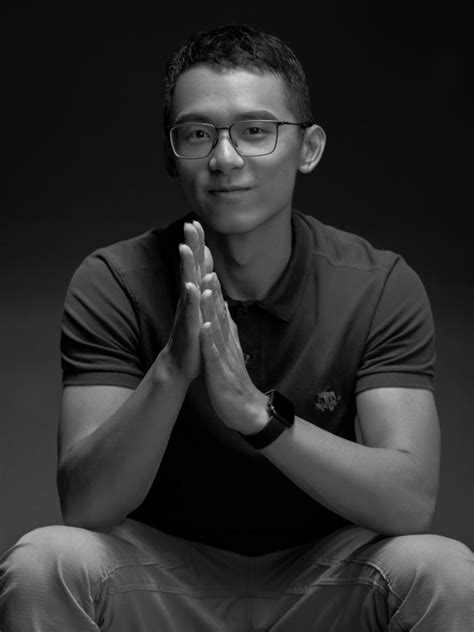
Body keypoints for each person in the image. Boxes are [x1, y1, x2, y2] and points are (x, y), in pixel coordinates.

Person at [0, 23, 472, 632]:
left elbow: (409, 504)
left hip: (325, 583)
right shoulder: (114, 280)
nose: (224, 159)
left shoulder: (379, 285)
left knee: (445, 571)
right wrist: (173, 369)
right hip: (160, 581)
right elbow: (87, 507)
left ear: (308, 148)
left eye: (255, 131)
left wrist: (257, 414)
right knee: (44, 562)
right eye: (198, 134)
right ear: (171, 153)